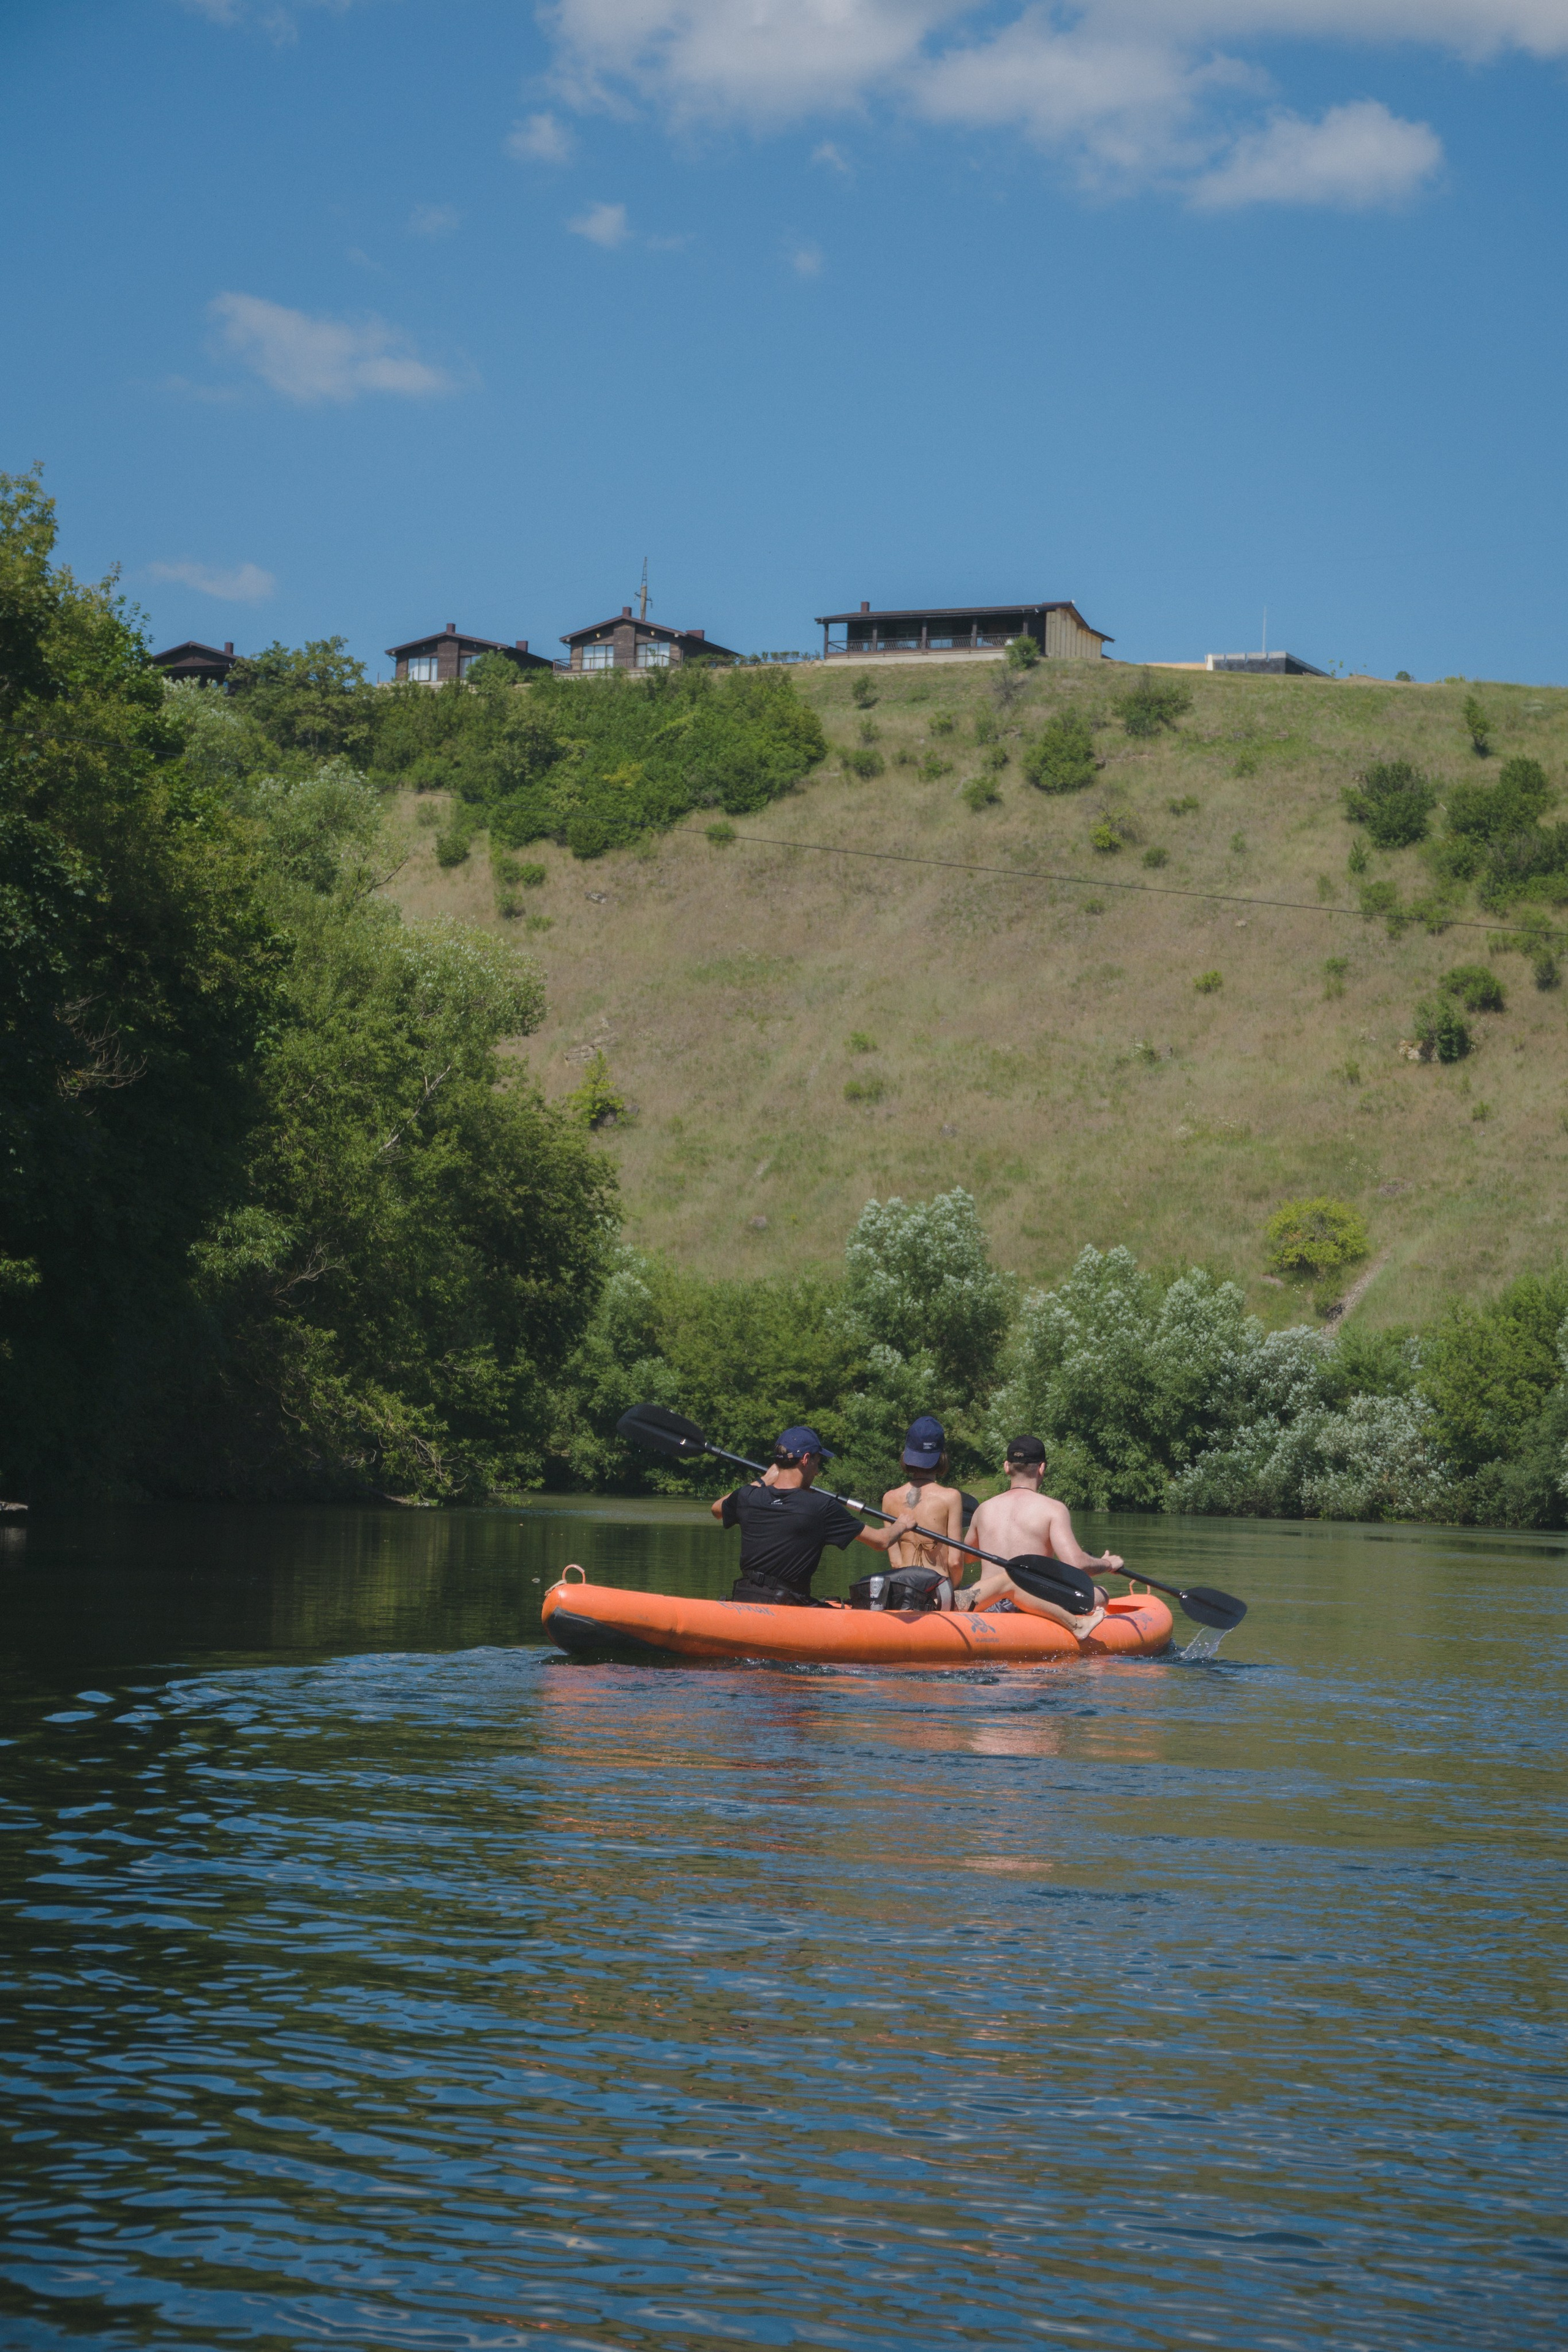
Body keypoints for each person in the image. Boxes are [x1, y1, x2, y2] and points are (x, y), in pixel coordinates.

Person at [710, 1426, 919, 1607]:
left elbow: (717, 1509)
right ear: (806, 1460)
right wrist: (901, 1525)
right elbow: (881, 1541)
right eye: (818, 1463)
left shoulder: (748, 1496)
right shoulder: (821, 1506)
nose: (817, 1472)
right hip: (789, 1604)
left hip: (745, 1597)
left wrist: (763, 1480)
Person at [959, 1434, 1123, 1640]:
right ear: (1042, 1468)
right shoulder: (1053, 1509)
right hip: (1031, 1606)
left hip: (987, 1602)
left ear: (1007, 1467)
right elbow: (1077, 1564)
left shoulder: (983, 1509)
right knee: (1100, 1593)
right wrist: (1107, 1563)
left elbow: (968, 1556)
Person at [879, 1414, 966, 1591]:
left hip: (902, 1590)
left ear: (907, 1455)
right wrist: (953, 1592)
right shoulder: (951, 1498)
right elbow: (955, 1562)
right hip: (937, 1591)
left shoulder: (889, 1498)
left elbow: (896, 1563)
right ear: (942, 1456)